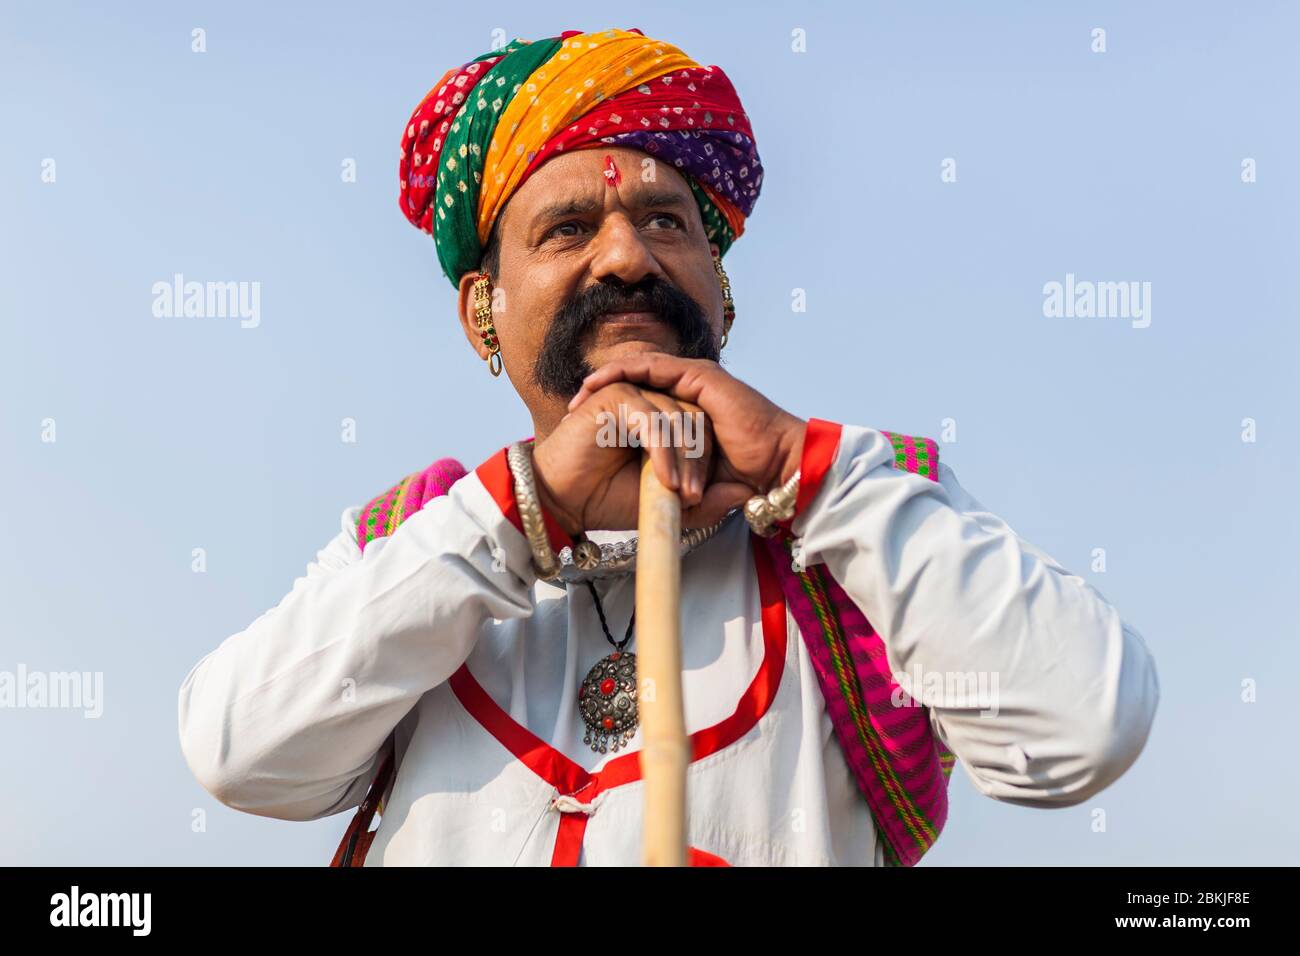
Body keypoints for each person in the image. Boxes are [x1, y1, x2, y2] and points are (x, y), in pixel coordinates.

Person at [177, 28, 1159, 867]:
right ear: (483, 313)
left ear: (720, 295)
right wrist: (522, 518)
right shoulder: (414, 539)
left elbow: (1083, 726)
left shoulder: (855, 518)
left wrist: (800, 470)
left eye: (663, 222)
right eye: (566, 229)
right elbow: (239, 752)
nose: (626, 256)